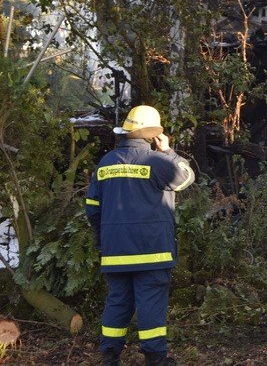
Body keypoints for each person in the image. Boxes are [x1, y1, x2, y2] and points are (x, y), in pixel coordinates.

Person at [85, 105, 196, 366]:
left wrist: (103, 240)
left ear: (127, 132)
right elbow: (186, 177)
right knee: (150, 304)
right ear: (153, 134)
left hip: (115, 252)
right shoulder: (158, 162)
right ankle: (155, 358)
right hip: (152, 251)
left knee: (118, 301)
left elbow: (92, 210)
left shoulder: (106, 163)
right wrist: (168, 151)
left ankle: (110, 355)